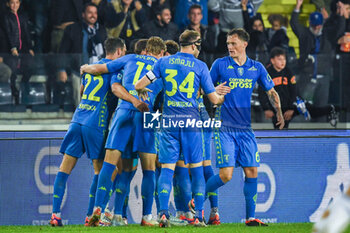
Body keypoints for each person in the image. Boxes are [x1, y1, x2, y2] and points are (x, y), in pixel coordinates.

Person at [135, 29, 229, 227]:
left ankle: (162, 213)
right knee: (196, 170)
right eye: (198, 47)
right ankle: (197, 216)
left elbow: (139, 84)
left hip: (168, 122)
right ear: (194, 45)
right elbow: (213, 99)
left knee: (167, 170)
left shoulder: (163, 62)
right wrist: (221, 98)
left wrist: (141, 88)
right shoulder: (201, 66)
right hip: (191, 123)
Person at [80, 36, 166, 227]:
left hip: (123, 112)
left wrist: (86, 68)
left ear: (146, 49)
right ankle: (146, 217)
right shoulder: (162, 67)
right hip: (147, 114)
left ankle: (100, 210)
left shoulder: (130, 58)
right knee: (149, 169)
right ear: (160, 53)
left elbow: (103, 71)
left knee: (111, 165)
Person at [205, 28, 285, 227]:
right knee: (226, 175)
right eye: (228, 43)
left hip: (245, 129)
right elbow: (200, 87)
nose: (229, 47)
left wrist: (279, 111)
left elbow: (271, 91)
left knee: (252, 171)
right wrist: (213, 89)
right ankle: (197, 198)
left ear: (244, 44)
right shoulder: (220, 64)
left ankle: (250, 218)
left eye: (233, 43)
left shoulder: (256, 67)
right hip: (224, 126)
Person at [49, 38, 126, 227]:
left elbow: (83, 91)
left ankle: (55, 215)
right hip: (95, 123)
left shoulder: (91, 68)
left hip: (77, 119)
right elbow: (116, 90)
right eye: (123, 52)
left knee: (64, 169)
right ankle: (92, 214)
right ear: (118, 52)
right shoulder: (115, 69)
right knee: (104, 171)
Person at [258, 47, 339, 128]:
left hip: (291, 104)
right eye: (279, 59)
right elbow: (261, 93)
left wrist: (291, 108)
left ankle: (332, 109)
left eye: (284, 59)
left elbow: (294, 91)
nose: (283, 62)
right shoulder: (266, 74)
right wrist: (266, 109)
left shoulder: (288, 72)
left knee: (312, 111)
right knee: (279, 127)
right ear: (272, 61)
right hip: (276, 107)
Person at [57, 2, 107, 107]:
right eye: (90, 13)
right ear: (83, 14)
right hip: (78, 72)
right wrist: (62, 69)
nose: (93, 15)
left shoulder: (101, 30)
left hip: (98, 73)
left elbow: (106, 52)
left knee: (97, 105)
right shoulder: (72, 29)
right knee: (81, 104)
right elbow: (63, 51)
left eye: (95, 13)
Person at [2, 0, 34, 104]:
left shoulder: (23, 16)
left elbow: (26, 33)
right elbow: (8, 33)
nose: (14, 5)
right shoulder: (5, 17)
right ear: (8, 4)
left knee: (29, 67)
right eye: (12, 3)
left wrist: (29, 47)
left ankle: (24, 89)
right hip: (10, 50)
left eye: (17, 2)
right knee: (13, 71)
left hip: (23, 49)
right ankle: (14, 93)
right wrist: (13, 47)